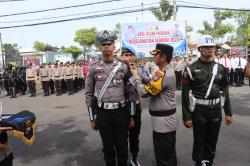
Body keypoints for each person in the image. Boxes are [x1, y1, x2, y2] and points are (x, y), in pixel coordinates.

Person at [85, 30, 135, 166]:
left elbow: (131, 92)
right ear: (100, 47)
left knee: (122, 147)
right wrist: (92, 118)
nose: (106, 46)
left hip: (121, 112)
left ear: (114, 46)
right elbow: (89, 95)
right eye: (103, 44)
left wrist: (131, 115)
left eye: (109, 44)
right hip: (103, 114)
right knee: (108, 148)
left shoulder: (123, 66)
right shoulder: (93, 68)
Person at [181, 35, 233, 166]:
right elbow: (185, 95)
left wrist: (228, 113)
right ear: (200, 49)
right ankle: (199, 162)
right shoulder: (190, 69)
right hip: (199, 111)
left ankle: (208, 162)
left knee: (212, 141)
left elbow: (225, 92)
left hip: (216, 110)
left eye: (212, 47)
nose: (210, 49)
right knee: (199, 141)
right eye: (207, 47)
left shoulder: (220, 68)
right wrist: (186, 116)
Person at [129, 43, 178, 166]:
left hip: (164, 122)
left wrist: (135, 76)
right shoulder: (162, 71)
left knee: (164, 155)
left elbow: (144, 92)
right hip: (162, 121)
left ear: (163, 57)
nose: (153, 57)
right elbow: (151, 82)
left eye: (156, 55)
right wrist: (137, 72)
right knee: (165, 152)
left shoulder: (166, 74)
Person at [120, 46, 142, 166]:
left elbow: (145, 81)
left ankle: (134, 157)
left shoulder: (137, 69)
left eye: (130, 55)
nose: (128, 57)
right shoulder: (117, 69)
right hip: (122, 107)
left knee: (134, 136)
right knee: (122, 137)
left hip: (136, 107)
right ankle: (123, 159)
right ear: (122, 56)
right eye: (126, 55)